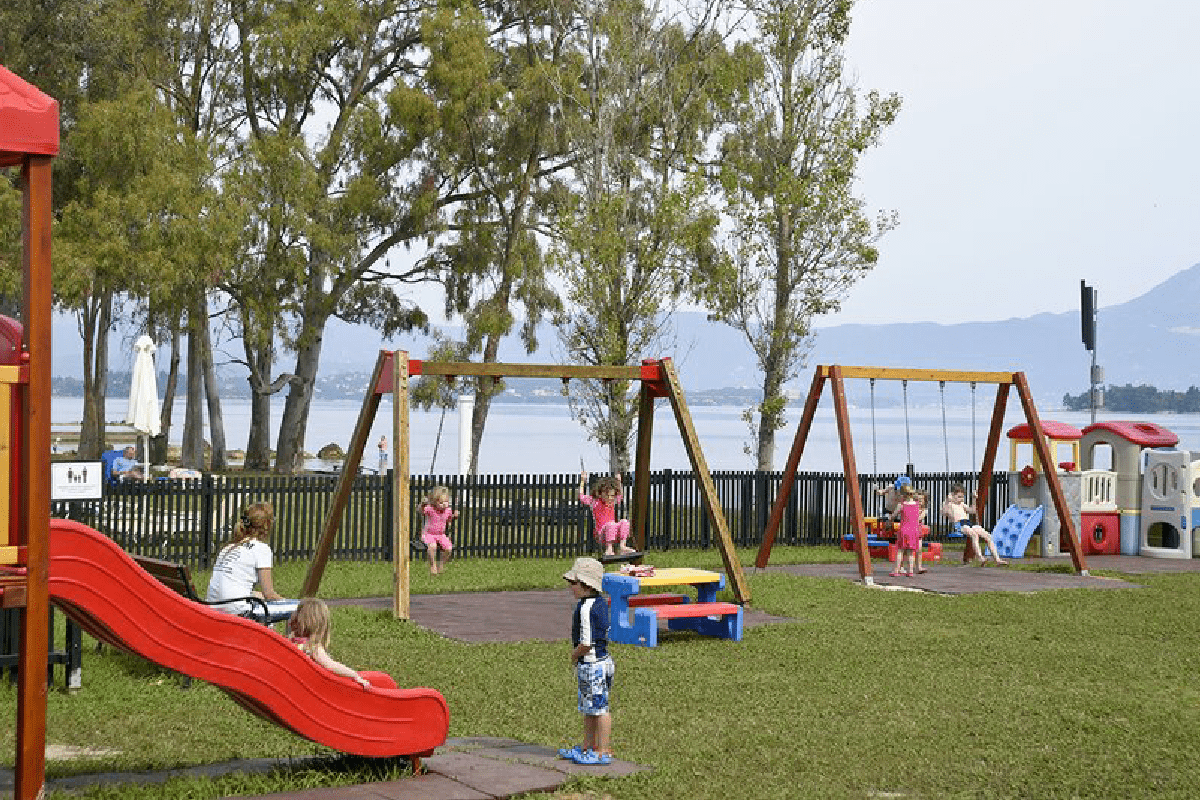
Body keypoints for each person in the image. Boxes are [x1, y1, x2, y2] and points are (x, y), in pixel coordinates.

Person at [558, 557, 615, 766]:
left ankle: (602, 750)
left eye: (573, 583)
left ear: (585, 584)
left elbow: (587, 642)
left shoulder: (585, 608)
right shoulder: (600, 603)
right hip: (604, 661)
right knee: (590, 708)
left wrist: (574, 655)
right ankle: (588, 746)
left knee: (599, 709)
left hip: (592, 664)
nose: (571, 587)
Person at [204, 501, 300, 622]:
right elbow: (269, 594)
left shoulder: (228, 548)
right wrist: (286, 601)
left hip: (213, 608)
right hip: (238, 611)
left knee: (259, 596)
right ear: (267, 525)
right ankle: (292, 640)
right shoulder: (261, 549)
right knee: (302, 608)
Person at [288, 598, 395, 689]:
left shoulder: (292, 642)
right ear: (321, 625)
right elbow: (331, 665)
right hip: (314, 688)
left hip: (297, 684)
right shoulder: (311, 647)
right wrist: (354, 675)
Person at [942, 483, 1008, 566]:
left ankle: (997, 559)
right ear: (952, 495)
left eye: (962, 497)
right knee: (974, 534)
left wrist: (974, 499)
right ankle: (980, 557)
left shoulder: (962, 504)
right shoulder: (950, 505)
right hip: (959, 525)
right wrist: (948, 501)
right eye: (959, 497)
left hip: (968, 523)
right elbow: (944, 512)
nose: (961, 499)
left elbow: (972, 511)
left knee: (987, 536)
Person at [579, 471, 635, 557]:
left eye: (612, 496)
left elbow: (620, 494)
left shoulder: (613, 502)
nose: (610, 498)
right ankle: (609, 549)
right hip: (602, 535)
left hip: (613, 533)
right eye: (607, 495)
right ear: (600, 493)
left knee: (624, 522)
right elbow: (581, 497)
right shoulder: (595, 502)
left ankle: (622, 546)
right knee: (610, 524)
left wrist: (618, 481)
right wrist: (582, 481)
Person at [420, 485, 458, 575]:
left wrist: (454, 517)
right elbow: (420, 511)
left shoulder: (448, 510)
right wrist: (422, 504)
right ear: (434, 502)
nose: (444, 504)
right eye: (441, 502)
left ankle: (441, 565)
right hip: (429, 534)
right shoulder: (430, 509)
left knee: (449, 548)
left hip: (441, 535)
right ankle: (432, 565)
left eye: (446, 501)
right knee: (432, 546)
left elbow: (448, 520)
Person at [890, 484, 922, 577]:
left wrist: (890, 518)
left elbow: (893, 515)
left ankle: (896, 570)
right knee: (911, 552)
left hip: (904, 530)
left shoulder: (901, 505)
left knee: (900, 550)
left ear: (902, 494)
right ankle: (910, 571)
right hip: (914, 531)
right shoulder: (917, 505)